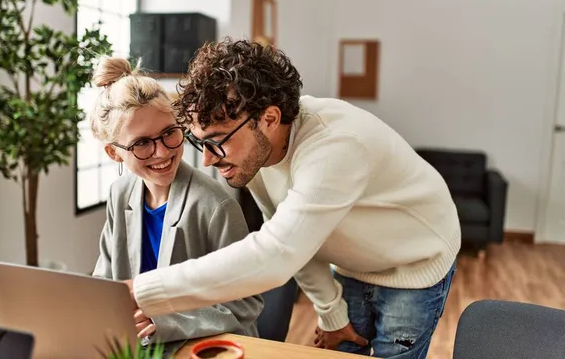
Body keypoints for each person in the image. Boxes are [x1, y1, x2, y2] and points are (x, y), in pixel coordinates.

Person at [126, 39, 461, 358]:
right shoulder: (254, 154)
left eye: (217, 142)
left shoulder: (334, 146)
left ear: (269, 119)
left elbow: (277, 253)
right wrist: (331, 313)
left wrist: (144, 291)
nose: (208, 161)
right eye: (200, 143)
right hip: (352, 259)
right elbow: (293, 235)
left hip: (415, 261)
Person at [88, 56, 263, 347]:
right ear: (114, 153)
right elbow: (105, 283)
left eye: (169, 133)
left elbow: (245, 304)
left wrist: (161, 324)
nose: (161, 152)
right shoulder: (120, 196)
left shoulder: (216, 206)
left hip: (204, 348)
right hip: (139, 347)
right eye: (142, 143)